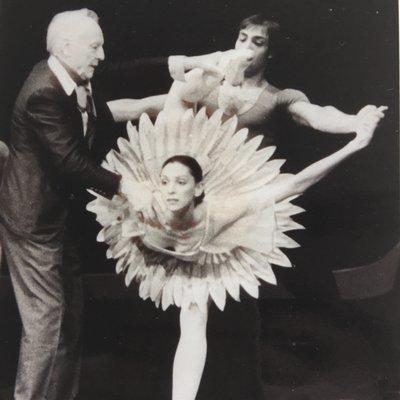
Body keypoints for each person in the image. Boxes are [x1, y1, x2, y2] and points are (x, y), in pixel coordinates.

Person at [87, 73, 386, 399]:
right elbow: (85, 169)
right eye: (166, 182)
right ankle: (204, 70)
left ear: (198, 188)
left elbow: (296, 184)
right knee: (172, 115)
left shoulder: (222, 209)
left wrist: (354, 145)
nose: (171, 190)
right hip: (151, 244)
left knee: (193, 323)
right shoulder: (144, 195)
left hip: (201, 252)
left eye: (181, 183)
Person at [0, 9, 138, 400]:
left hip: (57, 220)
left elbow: (127, 70)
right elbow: (71, 163)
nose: (102, 54)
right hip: (33, 225)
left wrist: (184, 65)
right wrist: (130, 188)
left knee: (70, 320)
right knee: (46, 324)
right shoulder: (44, 90)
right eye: (95, 46)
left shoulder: (73, 76)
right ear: (65, 47)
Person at [108, 13, 384, 148]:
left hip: (244, 195)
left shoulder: (277, 96)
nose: (246, 46)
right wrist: (78, 111)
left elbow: (316, 115)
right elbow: (141, 107)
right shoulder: (205, 87)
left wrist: (353, 121)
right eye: (242, 38)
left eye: (257, 42)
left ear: (270, 52)